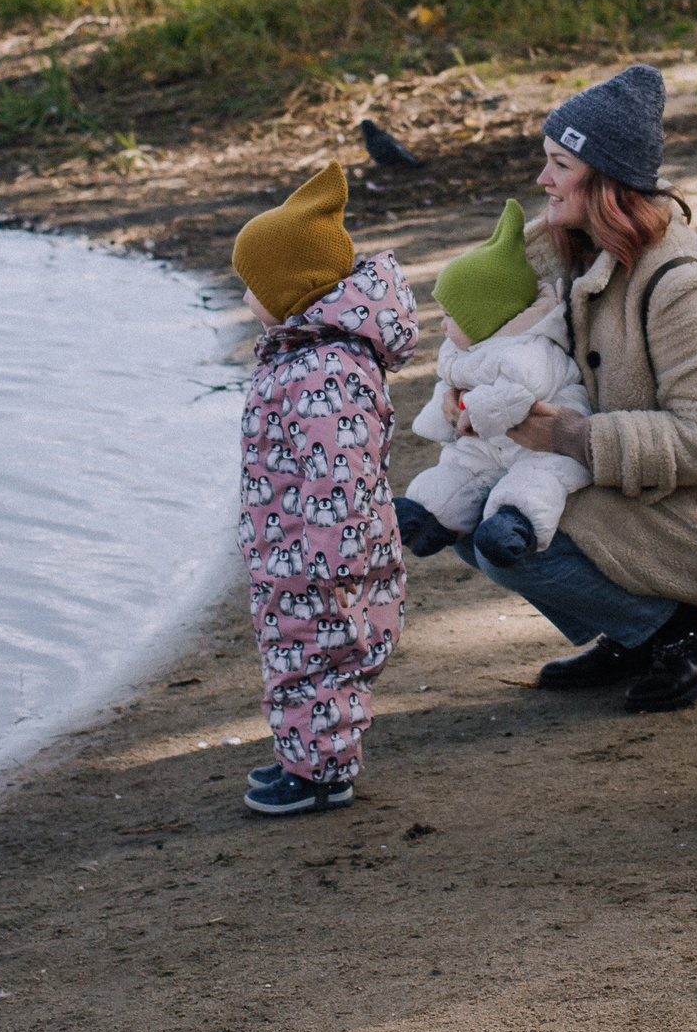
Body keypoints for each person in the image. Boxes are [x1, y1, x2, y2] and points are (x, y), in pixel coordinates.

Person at [475, 63, 697, 714]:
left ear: (606, 180)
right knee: (466, 503)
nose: (542, 180)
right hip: (649, 485)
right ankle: (633, 631)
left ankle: (683, 631)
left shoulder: (681, 285)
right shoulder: (584, 251)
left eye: (559, 164)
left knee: (504, 526)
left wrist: (568, 435)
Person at [230, 162, 418, 816]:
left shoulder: (322, 370)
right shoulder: (305, 354)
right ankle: (308, 756)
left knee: (316, 657)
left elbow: (341, 467)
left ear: (294, 287)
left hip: (320, 556)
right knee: (301, 655)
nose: (244, 296)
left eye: (251, 283)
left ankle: (321, 772)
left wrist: (329, 562)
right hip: (299, 549)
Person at [393, 197, 592, 567]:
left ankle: (516, 526)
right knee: (461, 467)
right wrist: (447, 408)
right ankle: (431, 515)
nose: (442, 325)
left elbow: (516, 394)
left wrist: (472, 413)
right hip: (493, 445)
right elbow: (451, 383)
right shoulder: (469, 350)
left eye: (450, 315)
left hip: (544, 445)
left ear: (483, 319)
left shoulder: (530, 349)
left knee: (536, 482)